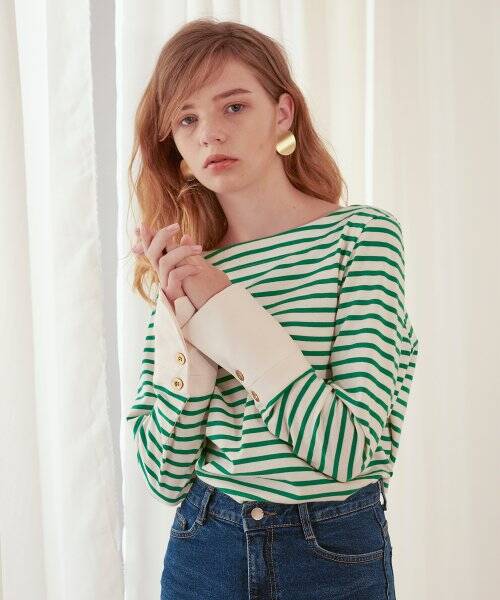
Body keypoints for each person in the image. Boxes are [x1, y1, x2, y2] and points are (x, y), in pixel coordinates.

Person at [126, 17, 418, 600]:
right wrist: (187, 336)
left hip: (330, 551)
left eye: (234, 107)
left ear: (282, 113)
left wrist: (224, 311)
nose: (210, 134)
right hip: (204, 545)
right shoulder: (188, 267)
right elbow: (163, 474)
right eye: (187, 119)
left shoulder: (362, 238)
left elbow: (346, 450)